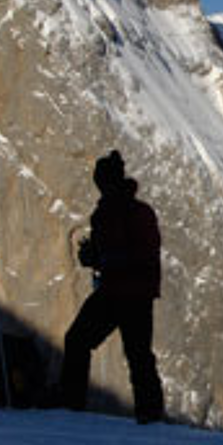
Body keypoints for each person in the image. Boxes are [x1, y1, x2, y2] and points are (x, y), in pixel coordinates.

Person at [59, 150, 165, 424]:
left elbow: (142, 253)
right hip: (131, 293)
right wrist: (96, 257)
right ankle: (150, 414)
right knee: (137, 355)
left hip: (126, 292)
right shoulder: (119, 213)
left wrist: (102, 259)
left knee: (82, 341)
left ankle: (72, 403)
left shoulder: (121, 214)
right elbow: (142, 254)